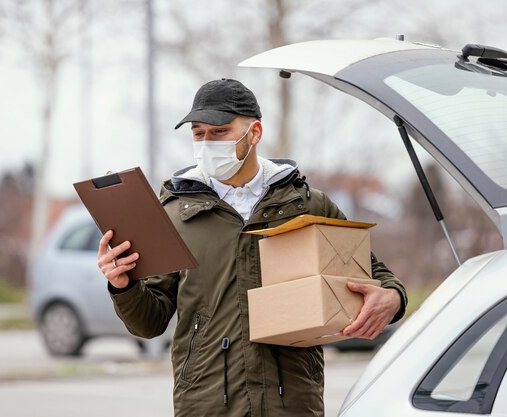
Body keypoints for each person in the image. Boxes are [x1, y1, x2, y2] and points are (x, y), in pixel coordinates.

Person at [97, 78, 407, 417]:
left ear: (254, 132)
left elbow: (374, 273)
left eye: (220, 132)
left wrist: (392, 297)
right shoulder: (173, 214)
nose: (207, 142)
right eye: (198, 134)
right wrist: (122, 285)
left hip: (291, 402)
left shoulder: (308, 204)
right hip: (207, 403)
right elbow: (149, 323)